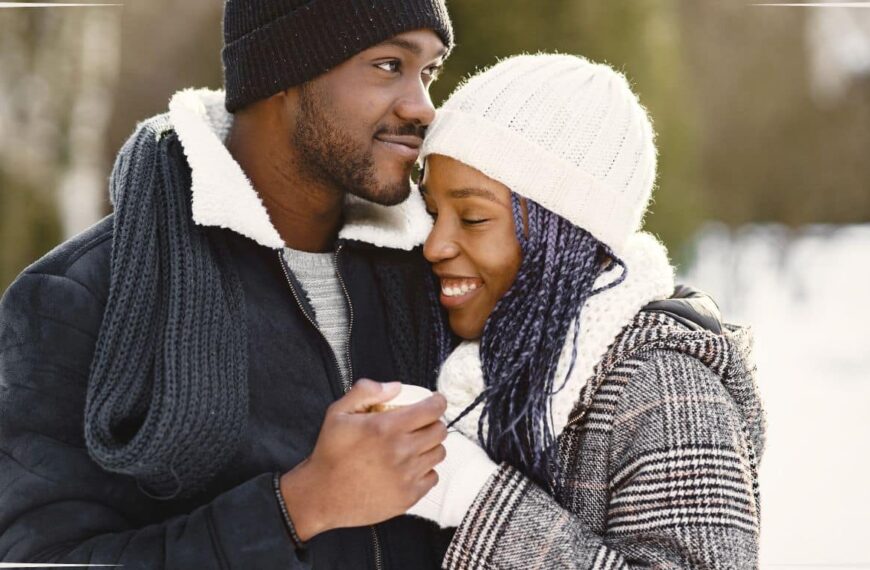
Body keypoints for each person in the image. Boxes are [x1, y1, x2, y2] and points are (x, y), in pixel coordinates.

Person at [0, 1, 456, 568]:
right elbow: (38, 558)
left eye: (429, 71)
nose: (423, 107)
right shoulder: (78, 297)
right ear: (282, 73)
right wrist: (296, 508)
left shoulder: (440, 276)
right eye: (389, 65)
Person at [404, 54, 766, 568]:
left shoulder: (662, 389)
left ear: (567, 236)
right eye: (434, 212)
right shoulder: (472, 366)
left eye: (474, 217)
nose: (435, 245)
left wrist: (474, 495)